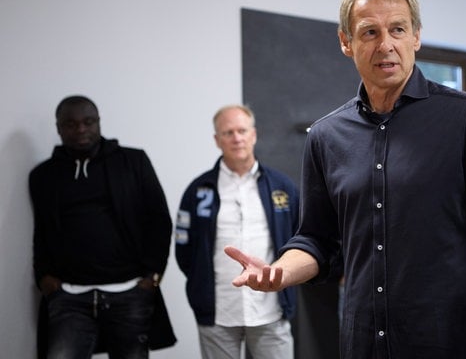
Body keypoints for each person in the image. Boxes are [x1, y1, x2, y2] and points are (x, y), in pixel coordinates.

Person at [224, 0, 466, 359]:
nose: (386, 45)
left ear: (416, 37)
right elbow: (316, 239)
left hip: (448, 344)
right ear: (346, 42)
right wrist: (279, 273)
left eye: (398, 29)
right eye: (370, 32)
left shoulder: (465, 116)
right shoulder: (326, 135)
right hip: (363, 344)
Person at [29, 95, 176, 359]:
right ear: (58, 127)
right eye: (71, 124)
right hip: (69, 296)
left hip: (129, 291)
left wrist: (153, 274)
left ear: (99, 122)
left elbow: (159, 219)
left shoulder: (133, 162)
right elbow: (42, 230)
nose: (81, 129)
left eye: (88, 122)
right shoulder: (44, 175)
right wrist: (43, 276)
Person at [175, 104, 299, 359]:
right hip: (218, 314)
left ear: (253, 134)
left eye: (242, 130)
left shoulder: (282, 187)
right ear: (216, 140)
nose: (236, 138)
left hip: (271, 310)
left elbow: (300, 241)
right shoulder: (199, 190)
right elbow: (184, 251)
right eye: (228, 132)